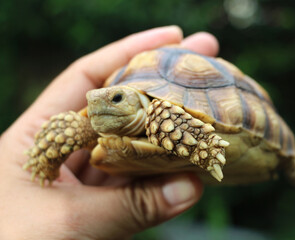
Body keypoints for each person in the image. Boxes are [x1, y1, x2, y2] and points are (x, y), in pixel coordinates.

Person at [0, 26, 219, 239]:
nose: (96, 106)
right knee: (70, 128)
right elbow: (64, 132)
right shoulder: (88, 130)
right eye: (91, 101)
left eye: (116, 99)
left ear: (140, 103)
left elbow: (166, 115)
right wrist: (43, 164)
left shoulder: (162, 115)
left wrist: (204, 145)